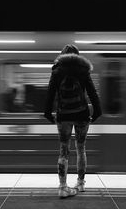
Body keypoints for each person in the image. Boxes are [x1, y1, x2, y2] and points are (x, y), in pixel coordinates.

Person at [44, 44, 102, 198]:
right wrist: (97, 111)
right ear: (78, 56)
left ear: (62, 55)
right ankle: (81, 184)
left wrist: (48, 113)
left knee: (64, 150)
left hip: (63, 115)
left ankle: (63, 187)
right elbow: (92, 92)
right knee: (81, 148)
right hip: (82, 115)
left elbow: (50, 93)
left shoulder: (57, 70)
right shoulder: (83, 70)